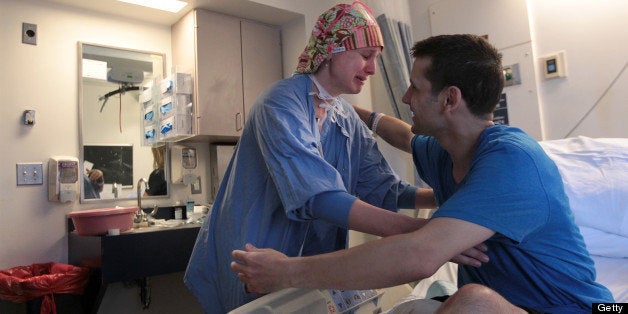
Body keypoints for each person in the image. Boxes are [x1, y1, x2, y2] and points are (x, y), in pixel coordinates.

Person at [231, 34, 615, 313]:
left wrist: (287, 273)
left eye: (414, 87)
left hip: (578, 309)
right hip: (512, 303)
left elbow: (419, 256)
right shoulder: (445, 148)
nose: (405, 97)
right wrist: (347, 108)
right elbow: (403, 134)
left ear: (450, 99)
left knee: (473, 304)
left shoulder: (513, 162)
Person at [184, 3, 488, 313]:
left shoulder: (344, 116)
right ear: (332, 49)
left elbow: (383, 189)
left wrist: (443, 197)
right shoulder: (281, 104)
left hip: (309, 262)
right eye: (366, 55)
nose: (371, 68)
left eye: (376, 59)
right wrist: (431, 237)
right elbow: (321, 197)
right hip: (253, 250)